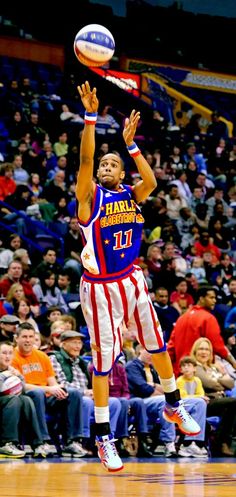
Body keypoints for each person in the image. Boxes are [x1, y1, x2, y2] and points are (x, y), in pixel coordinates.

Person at [76, 81, 200, 472]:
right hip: (99, 288)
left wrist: (131, 145)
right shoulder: (89, 198)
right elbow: (83, 162)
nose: (105, 167)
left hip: (131, 280)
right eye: (103, 165)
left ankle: (173, 405)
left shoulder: (130, 194)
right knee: (103, 362)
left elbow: (151, 181)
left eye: (112, 165)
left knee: (158, 347)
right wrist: (91, 119)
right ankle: (102, 437)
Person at [11, 322, 86, 458]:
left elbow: (53, 382)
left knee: (73, 393)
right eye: (24, 337)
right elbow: (20, 386)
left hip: (47, 397)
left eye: (31, 337)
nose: (28, 340)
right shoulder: (13, 357)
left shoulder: (42, 356)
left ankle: (72, 442)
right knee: (37, 393)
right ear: (17, 338)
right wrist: (49, 389)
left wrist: (59, 390)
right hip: (26, 398)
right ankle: (42, 442)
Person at [126, 346, 207, 458]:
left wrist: (156, 386)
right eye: (149, 352)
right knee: (167, 401)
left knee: (198, 402)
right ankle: (169, 443)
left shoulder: (154, 367)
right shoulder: (132, 366)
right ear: (141, 350)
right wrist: (159, 389)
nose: (152, 356)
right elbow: (144, 389)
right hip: (141, 403)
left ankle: (191, 444)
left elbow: (167, 387)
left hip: (158, 399)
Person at [167, 286, 236, 377]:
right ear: (201, 299)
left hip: (181, 371)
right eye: (211, 298)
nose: (214, 301)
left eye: (215, 298)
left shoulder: (182, 318)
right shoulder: (208, 318)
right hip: (199, 372)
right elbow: (218, 346)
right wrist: (233, 362)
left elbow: (171, 348)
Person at [0, 341, 47, 458]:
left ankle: (37, 444)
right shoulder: (6, 373)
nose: (7, 356)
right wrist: (4, 375)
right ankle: (6, 444)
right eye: (4, 353)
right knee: (14, 400)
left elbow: (22, 390)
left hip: (8, 402)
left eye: (10, 353)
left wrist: (19, 377)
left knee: (26, 399)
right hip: (6, 401)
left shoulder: (12, 371)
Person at [191, 338, 236, 456]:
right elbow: (208, 383)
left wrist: (216, 381)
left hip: (221, 401)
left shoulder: (214, 367)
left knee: (231, 408)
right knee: (234, 402)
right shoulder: (194, 366)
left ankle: (221, 441)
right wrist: (221, 382)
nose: (204, 352)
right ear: (195, 351)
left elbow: (231, 383)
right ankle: (220, 441)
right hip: (205, 402)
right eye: (201, 349)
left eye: (207, 349)